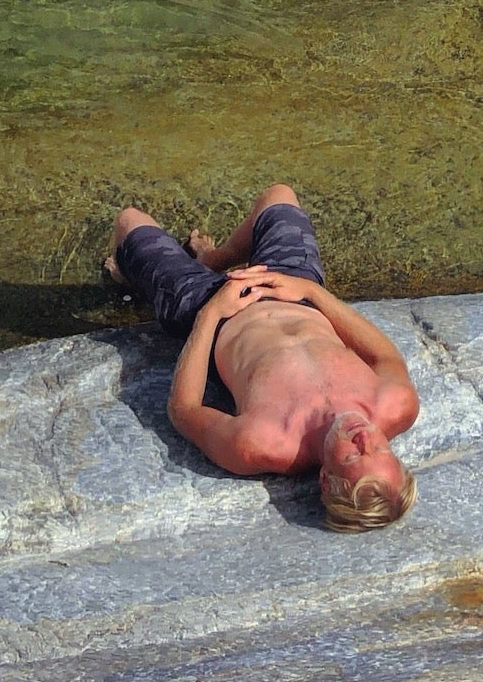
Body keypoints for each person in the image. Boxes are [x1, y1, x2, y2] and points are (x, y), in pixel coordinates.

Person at [106, 184, 419, 530]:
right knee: (279, 195)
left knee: (129, 222)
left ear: (327, 479)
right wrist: (311, 292)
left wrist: (210, 314)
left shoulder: (262, 443)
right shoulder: (396, 404)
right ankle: (214, 259)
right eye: (380, 450)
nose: (364, 438)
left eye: (353, 456)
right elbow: (385, 356)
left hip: (211, 309)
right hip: (295, 291)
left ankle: (139, 279)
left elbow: (183, 410)